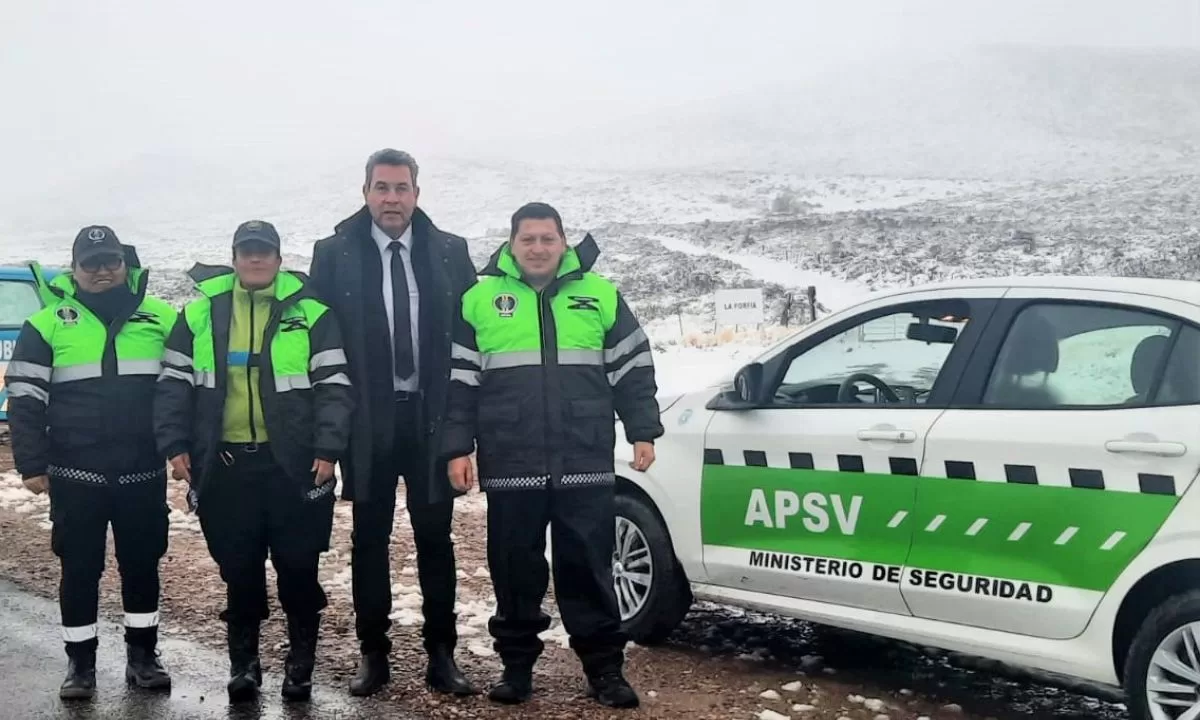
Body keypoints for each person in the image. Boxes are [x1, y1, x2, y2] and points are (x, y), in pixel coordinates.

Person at [442, 202, 663, 708]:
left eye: (547, 239)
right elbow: (458, 384)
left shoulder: (600, 294)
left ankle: (604, 670)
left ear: (563, 242)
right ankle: (517, 669)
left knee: (588, 565)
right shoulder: (480, 300)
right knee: (514, 567)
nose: (538, 248)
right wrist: (458, 446)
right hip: (510, 458)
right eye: (528, 239)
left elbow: (632, 368)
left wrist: (642, 430)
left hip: (583, 456)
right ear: (511, 244)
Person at [153, 220, 354, 702]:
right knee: (240, 570)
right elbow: (174, 384)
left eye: (264, 252)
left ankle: (300, 665)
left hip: (295, 466)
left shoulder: (311, 313)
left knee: (298, 568)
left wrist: (329, 448)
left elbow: (335, 388)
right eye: (247, 252)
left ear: (279, 259)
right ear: (235, 257)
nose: (256, 260)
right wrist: (174, 443)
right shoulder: (199, 314)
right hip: (224, 467)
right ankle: (244, 665)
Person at [308, 149, 478, 697]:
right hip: (369, 423)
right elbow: (320, 344)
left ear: (416, 194)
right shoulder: (333, 254)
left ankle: (442, 654)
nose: (392, 198)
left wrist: (462, 430)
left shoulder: (451, 252)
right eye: (381, 188)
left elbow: (468, 343)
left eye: (401, 188)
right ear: (365, 193)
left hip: (430, 421)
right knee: (369, 541)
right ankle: (373, 654)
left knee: (436, 540)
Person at [5, 226, 175, 699]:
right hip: (74, 473)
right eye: (91, 262)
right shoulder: (46, 324)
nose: (102, 270)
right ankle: (80, 666)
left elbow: (183, 393)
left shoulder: (161, 317)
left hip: (143, 471)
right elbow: (23, 399)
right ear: (74, 267)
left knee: (142, 566)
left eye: (111, 261)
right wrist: (31, 464)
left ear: (125, 263)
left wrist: (183, 452)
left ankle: (144, 658)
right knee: (79, 569)